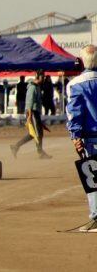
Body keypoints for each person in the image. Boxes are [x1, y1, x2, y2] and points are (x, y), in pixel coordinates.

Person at [66, 45, 97, 230]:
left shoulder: (75, 84)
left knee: (93, 178)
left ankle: (96, 216)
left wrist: (75, 136)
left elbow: (75, 113)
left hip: (90, 138)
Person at [11, 71, 52, 159]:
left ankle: (15, 146)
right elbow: (29, 102)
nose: (44, 78)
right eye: (42, 76)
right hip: (32, 112)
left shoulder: (37, 87)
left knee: (33, 134)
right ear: (37, 76)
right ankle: (40, 153)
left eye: (44, 76)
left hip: (35, 113)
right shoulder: (32, 87)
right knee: (38, 133)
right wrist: (29, 116)